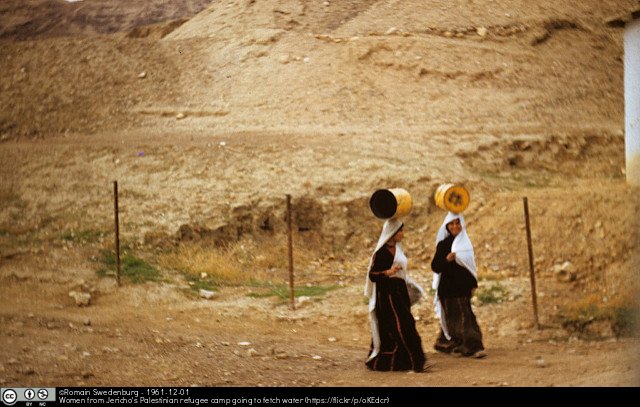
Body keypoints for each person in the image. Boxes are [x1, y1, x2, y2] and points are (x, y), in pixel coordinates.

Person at [364, 218, 428, 372]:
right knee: (402, 325)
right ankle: (416, 362)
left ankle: (406, 361)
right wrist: (387, 273)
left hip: (400, 292)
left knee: (402, 324)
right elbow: (372, 275)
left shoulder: (398, 249)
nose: (402, 234)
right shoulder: (380, 253)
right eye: (400, 230)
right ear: (392, 233)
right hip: (387, 296)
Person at [431, 212, 486, 358]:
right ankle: (458, 344)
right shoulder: (443, 245)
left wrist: (473, 284)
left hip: (462, 288)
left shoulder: (466, 244)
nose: (455, 227)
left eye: (457, 223)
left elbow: (470, 267)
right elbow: (435, 266)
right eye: (451, 224)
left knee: (465, 316)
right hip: (448, 289)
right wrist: (447, 260)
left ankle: (470, 346)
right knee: (453, 318)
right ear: (447, 226)